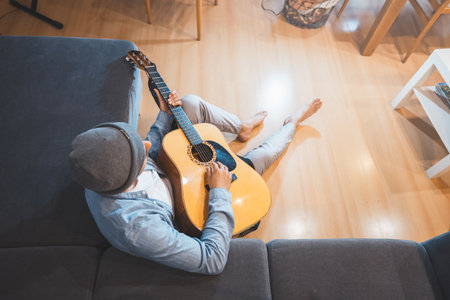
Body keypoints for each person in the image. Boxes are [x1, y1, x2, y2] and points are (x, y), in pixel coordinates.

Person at [69, 88, 322, 275]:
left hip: (172, 170)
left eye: (137, 141)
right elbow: (211, 260)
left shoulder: (101, 165)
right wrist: (219, 192)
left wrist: (163, 116)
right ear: (130, 182)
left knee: (188, 103)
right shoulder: (138, 230)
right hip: (192, 200)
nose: (147, 144)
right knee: (264, 155)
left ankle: (242, 126)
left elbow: (148, 148)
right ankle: (293, 123)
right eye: (141, 156)